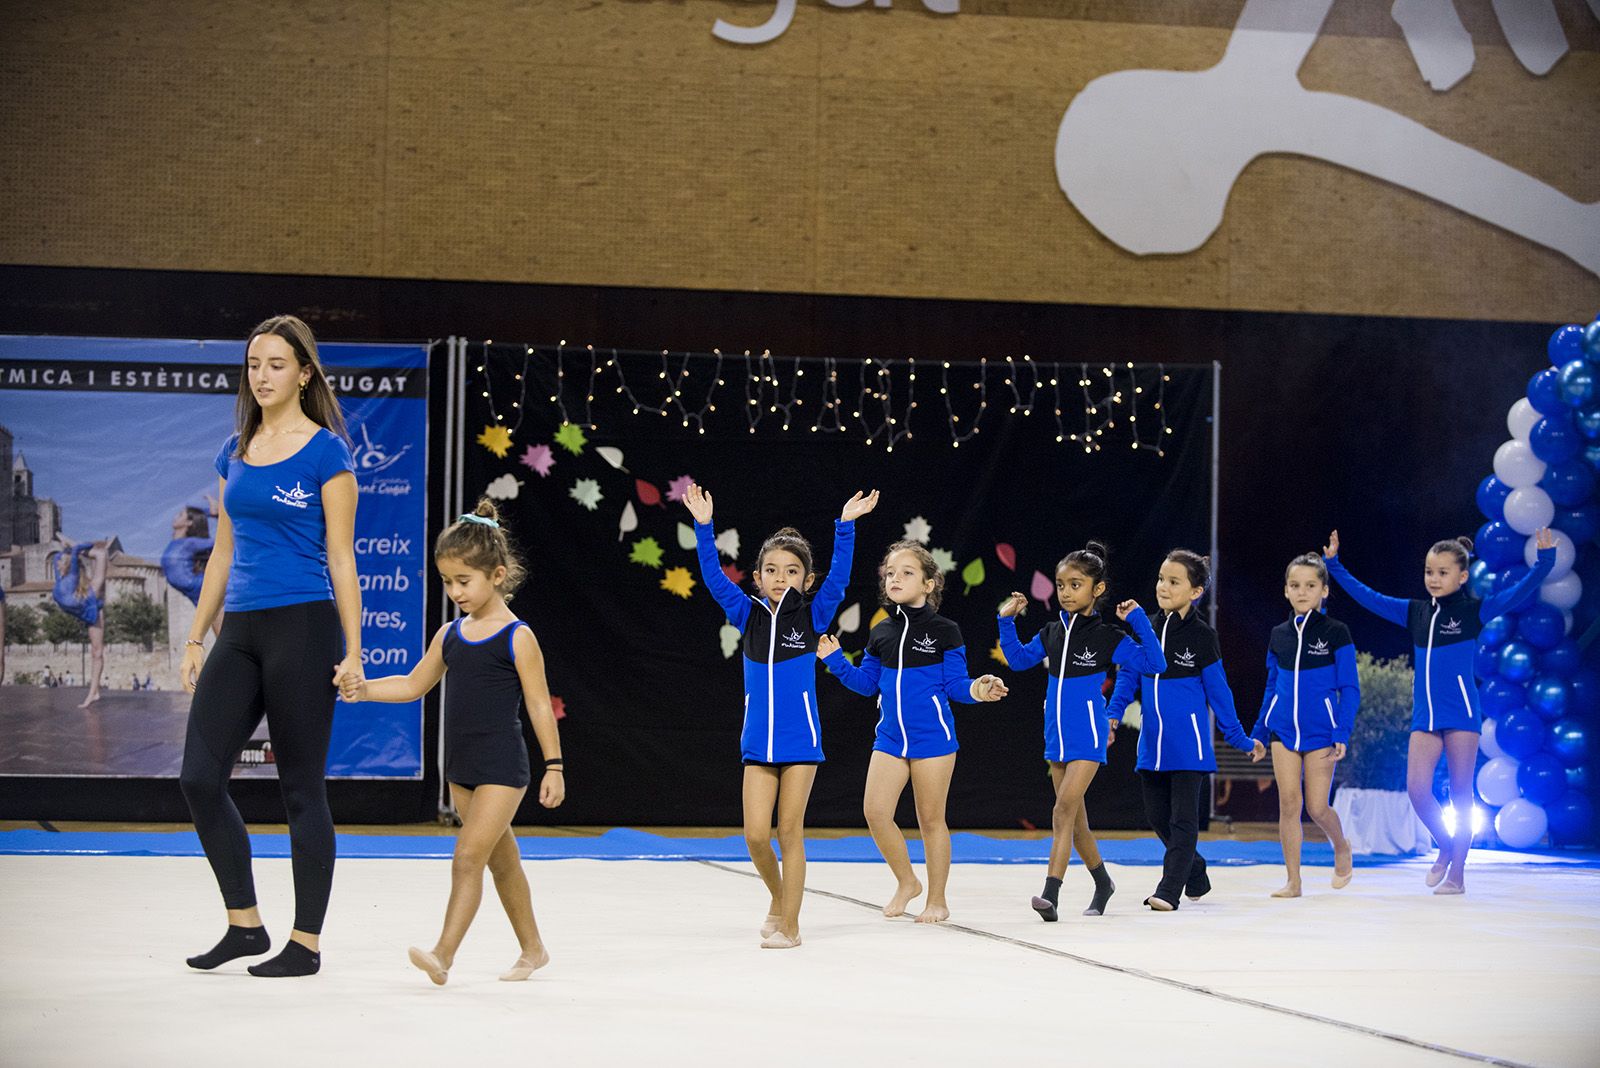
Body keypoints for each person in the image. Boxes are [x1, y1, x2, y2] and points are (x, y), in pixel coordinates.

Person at [177, 314, 364, 977]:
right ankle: (244, 925)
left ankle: (305, 944)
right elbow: (222, 553)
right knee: (199, 776)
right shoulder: (235, 450)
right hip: (242, 630)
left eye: (276, 363)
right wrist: (198, 636)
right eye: (254, 363)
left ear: (305, 373)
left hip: (304, 628)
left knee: (301, 791)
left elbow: (341, 557)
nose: (261, 374)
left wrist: (356, 651)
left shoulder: (326, 453)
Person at [348, 499, 564, 984]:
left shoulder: (517, 637)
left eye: (463, 581)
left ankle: (443, 953)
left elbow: (537, 704)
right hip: (461, 768)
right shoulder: (449, 634)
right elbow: (411, 684)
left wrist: (554, 765)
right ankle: (533, 949)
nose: (454, 591)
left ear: (498, 574)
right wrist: (364, 690)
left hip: (503, 769)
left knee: (467, 857)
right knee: (502, 863)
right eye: (447, 582)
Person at [683, 482, 877, 949]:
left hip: (800, 740)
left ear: (806, 581)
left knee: (789, 831)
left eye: (792, 571)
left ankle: (790, 925)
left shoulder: (812, 616)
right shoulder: (745, 614)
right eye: (771, 570)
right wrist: (704, 528)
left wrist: (845, 526)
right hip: (758, 743)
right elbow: (712, 577)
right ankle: (778, 898)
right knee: (754, 836)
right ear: (757, 576)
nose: (780, 577)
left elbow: (840, 580)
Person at [1324, 527, 1555, 894]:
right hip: (1425, 718)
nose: (1434, 579)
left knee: (1461, 796)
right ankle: (1446, 847)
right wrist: (1334, 566)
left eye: (1443, 573)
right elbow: (1369, 597)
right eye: (1429, 572)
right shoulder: (1415, 612)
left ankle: (1458, 873)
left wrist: (1544, 561)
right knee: (1417, 790)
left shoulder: (1473, 612)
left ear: (1462, 577)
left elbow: (1518, 592)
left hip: (1462, 715)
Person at [818, 540, 1007, 924]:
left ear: (928, 584)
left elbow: (956, 685)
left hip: (933, 741)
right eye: (890, 573)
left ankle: (937, 899)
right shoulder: (880, 632)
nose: (895, 578)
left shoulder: (945, 631)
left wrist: (979, 689)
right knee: (875, 811)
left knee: (931, 821)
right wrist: (836, 661)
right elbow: (867, 684)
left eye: (906, 573)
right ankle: (908, 882)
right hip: (890, 739)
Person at [997, 541, 1167, 920]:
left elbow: (1155, 663)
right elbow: (1018, 659)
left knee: (1062, 811)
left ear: (1098, 589)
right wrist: (1006, 621)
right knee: (1076, 824)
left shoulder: (1108, 637)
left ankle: (1050, 895)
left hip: (1089, 735)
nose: (1066, 592)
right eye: (1061, 585)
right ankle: (1103, 882)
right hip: (1055, 734)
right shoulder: (1052, 631)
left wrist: (1139, 620)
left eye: (1076, 584)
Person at [1108, 549, 1265, 911]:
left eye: (1174, 581)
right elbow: (1127, 677)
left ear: (1195, 591)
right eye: (1161, 579)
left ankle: (1169, 890)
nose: (1163, 586)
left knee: (1183, 820)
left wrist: (1240, 739)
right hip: (1152, 746)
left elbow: (1220, 693)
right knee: (1157, 818)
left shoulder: (1202, 636)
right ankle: (1195, 871)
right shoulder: (1143, 626)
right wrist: (1111, 715)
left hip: (1189, 746)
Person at [1248, 552, 1359, 897]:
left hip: (1321, 732)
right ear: (1285, 591)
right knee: (1289, 803)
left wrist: (1341, 731)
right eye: (1295, 586)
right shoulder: (1278, 634)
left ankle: (1341, 847)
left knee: (1317, 807)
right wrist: (1260, 732)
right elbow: (1271, 686)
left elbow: (1350, 688)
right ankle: (1293, 881)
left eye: (1310, 586)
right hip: (1283, 731)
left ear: (1324, 591)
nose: (1302, 592)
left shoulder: (1336, 633)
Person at [49, 537, 110, 707]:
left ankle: (93, 692)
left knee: (96, 653)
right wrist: (65, 542)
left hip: (92, 606)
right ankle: (94, 691)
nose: (57, 562)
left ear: (68, 565)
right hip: (83, 607)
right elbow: (57, 555)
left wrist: (79, 548)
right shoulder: (61, 579)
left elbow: (97, 553)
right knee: (95, 652)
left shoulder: (85, 584)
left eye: (61, 561)